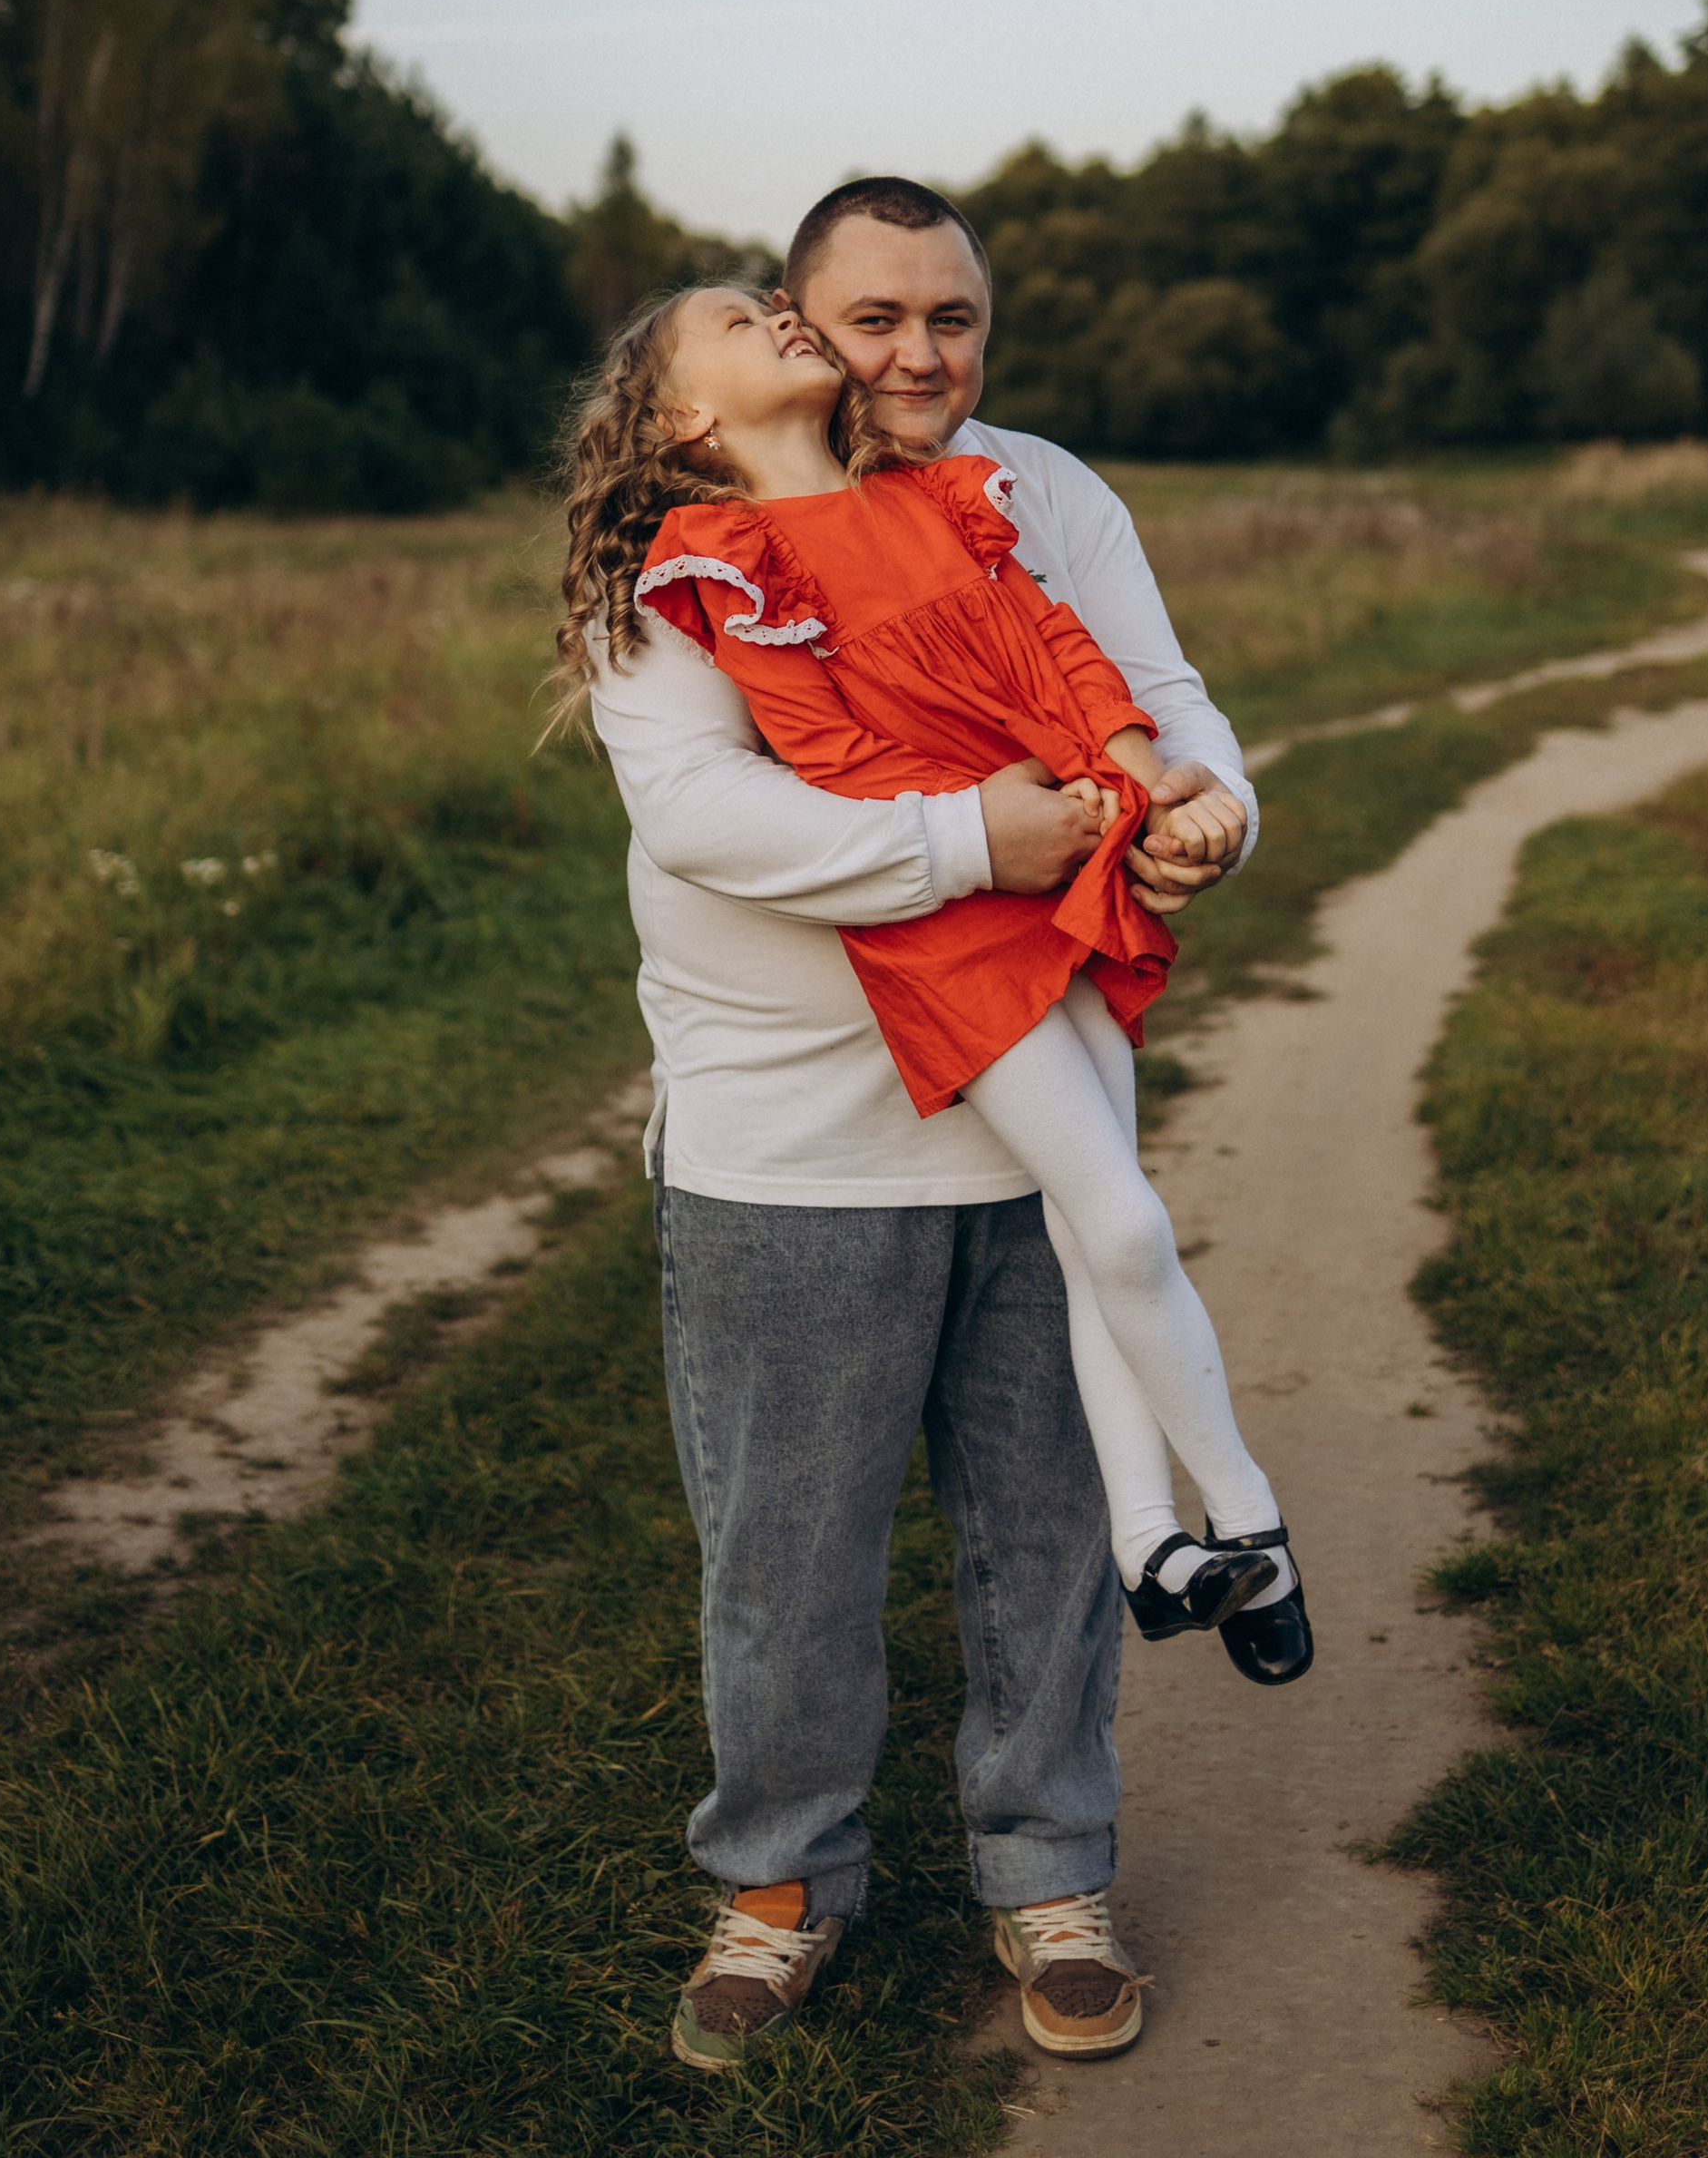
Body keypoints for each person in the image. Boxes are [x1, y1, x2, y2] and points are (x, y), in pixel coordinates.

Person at [574, 176, 1274, 2073]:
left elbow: (1160, 702)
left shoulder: (1037, 491)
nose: (910, 354)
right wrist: (980, 837)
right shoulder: (675, 546)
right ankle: (779, 1888)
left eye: (946, 318)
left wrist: (1210, 809)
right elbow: (705, 816)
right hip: (785, 1135)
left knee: (1039, 1534)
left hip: (1029, 1118)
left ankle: (1047, 1873)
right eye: (863, 318)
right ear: (797, 329)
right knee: (784, 1549)